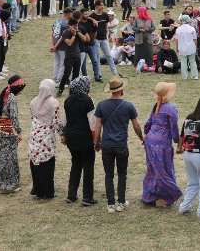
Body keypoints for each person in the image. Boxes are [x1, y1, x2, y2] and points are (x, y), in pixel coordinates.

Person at [94, 76, 142, 213]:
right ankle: (121, 202)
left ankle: (110, 204)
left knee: (108, 175)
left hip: (107, 145)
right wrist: (141, 138)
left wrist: (96, 142)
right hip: (121, 144)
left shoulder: (102, 105)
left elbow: (98, 127)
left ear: (110, 90)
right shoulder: (128, 105)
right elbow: (136, 126)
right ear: (121, 90)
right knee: (122, 173)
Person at [140, 82, 181, 207]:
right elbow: (174, 129)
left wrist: (145, 137)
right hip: (162, 143)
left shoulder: (156, 106)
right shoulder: (171, 109)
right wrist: (178, 142)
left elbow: (148, 123)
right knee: (164, 169)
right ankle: (169, 194)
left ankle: (150, 195)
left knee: (153, 168)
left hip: (150, 140)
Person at [62, 76, 96, 206]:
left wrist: (64, 136)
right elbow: (92, 123)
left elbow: (64, 122)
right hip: (85, 137)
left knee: (75, 165)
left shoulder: (67, 100)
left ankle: (72, 195)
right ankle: (87, 197)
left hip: (72, 138)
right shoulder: (88, 100)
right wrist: (96, 140)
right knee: (88, 166)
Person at [178, 95, 200, 219]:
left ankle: (184, 207)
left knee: (192, 182)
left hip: (188, 153)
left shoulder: (189, 117)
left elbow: (182, 135)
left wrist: (179, 148)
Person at [0, 75, 25, 194]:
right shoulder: (12, 99)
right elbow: (14, 117)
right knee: (9, 158)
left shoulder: (0, 95)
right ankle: (9, 186)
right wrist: (19, 132)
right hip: (6, 130)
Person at [28, 79, 62, 200]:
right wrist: (63, 136)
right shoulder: (53, 103)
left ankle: (38, 190)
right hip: (47, 138)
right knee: (47, 165)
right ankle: (48, 192)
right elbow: (57, 122)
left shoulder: (33, 102)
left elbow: (32, 116)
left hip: (34, 137)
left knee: (35, 163)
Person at [175, 14, 198, 80]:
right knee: (192, 61)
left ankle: (184, 76)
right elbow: (195, 39)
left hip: (181, 47)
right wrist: (196, 46)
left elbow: (177, 40)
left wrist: (177, 47)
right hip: (191, 47)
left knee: (183, 62)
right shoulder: (192, 28)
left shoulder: (178, 29)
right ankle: (194, 76)